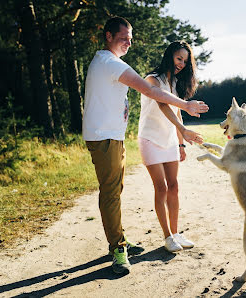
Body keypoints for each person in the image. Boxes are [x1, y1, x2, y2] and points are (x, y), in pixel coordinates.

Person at [82, 17, 208, 275]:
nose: (129, 42)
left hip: (113, 136)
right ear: (108, 36)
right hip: (105, 136)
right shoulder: (109, 63)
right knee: (111, 192)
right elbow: (153, 94)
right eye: (123, 37)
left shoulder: (110, 63)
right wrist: (186, 107)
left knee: (115, 189)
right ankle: (118, 248)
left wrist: (181, 137)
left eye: (130, 37)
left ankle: (121, 240)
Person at [138, 41, 200, 253]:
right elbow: (163, 105)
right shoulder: (152, 79)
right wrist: (183, 129)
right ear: (169, 56)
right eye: (178, 58)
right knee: (162, 188)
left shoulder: (175, 84)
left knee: (174, 186)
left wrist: (181, 142)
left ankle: (175, 233)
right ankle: (167, 236)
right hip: (150, 139)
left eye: (185, 60)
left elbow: (178, 110)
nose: (181, 64)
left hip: (170, 140)